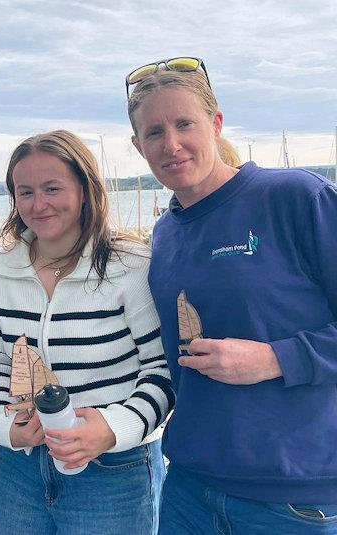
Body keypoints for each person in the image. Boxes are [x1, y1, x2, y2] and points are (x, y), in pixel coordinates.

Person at [127, 57, 337, 533]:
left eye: (185, 124)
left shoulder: (296, 197)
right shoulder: (164, 232)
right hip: (188, 487)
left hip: (293, 497)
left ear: (216, 124)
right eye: (154, 132)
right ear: (138, 147)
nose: (172, 144)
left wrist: (274, 358)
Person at [0, 130, 173, 535]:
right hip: (22, 466)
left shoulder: (131, 265)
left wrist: (113, 428)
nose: (38, 204)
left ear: (85, 190)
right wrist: (2, 424)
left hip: (115, 468)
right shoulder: (0, 267)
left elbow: (163, 368)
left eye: (52, 188)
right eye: (25, 191)